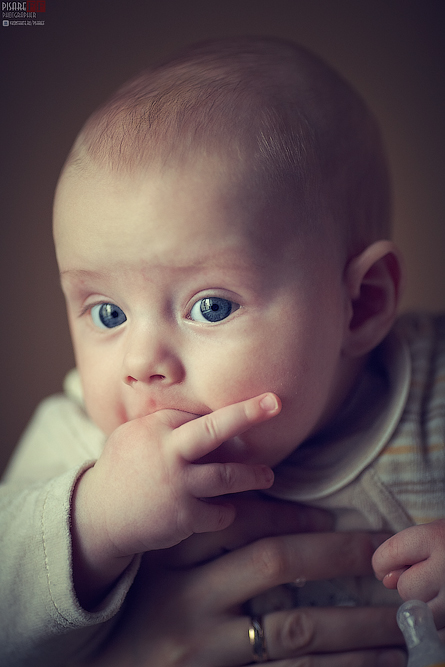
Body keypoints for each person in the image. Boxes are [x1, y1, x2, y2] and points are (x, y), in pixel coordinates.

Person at [1, 36, 443, 665]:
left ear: (363, 304)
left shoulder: (435, 394)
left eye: (210, 306)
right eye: (108, 313)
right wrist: (90, 527)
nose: (141, 363)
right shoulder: (84, 448)